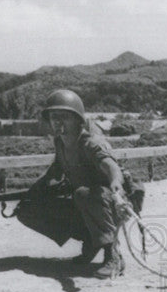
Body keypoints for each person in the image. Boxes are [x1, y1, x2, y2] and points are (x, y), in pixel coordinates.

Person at [16, 89, 140, 279]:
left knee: (84, 194)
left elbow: (111, 167)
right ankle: (92, 241)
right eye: (53, 117)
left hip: (113, 202)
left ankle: (112, 255)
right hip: (87, 203)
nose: (58, 122)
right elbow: (54, 172)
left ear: (77, 120)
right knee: (28, 209)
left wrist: (116, 184)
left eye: (64, 117)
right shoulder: (61, 143)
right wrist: (32, 194)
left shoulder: (91, 143)